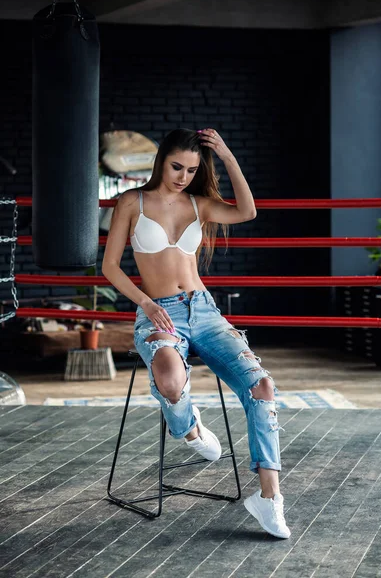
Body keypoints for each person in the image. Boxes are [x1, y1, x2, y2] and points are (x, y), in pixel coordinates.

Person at [102, 128, 290, 539]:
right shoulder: (131, 202)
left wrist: (225, 154)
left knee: (262, 387)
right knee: (170, 381)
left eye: (191, 169)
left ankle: (268, 497)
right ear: (161, 160)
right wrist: (147, 303)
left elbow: (247, 211)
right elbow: (110, 266)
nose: (183, 176)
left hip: (203, 310)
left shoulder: (199, 204)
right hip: (158, 312)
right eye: (176, 167)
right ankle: (189, 428)